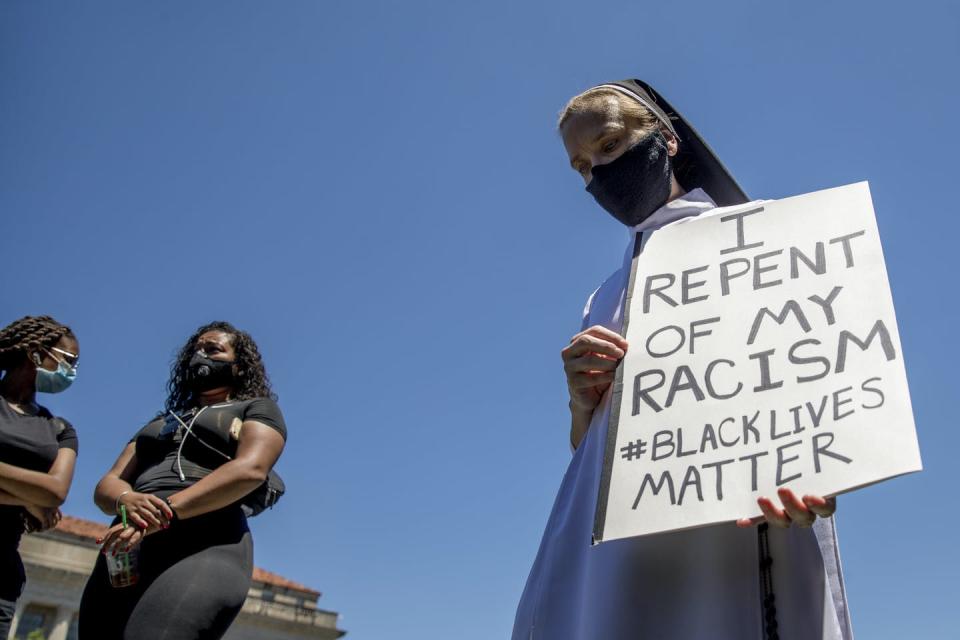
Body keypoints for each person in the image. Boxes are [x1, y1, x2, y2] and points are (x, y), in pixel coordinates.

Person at [512, 80, 854, 640]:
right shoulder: (605, 293)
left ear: (665, 139)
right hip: (614, 555)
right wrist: (581, 402)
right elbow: (588, 446)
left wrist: (815, 472)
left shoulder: (767, 243)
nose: (597, 173)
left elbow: (805, 389)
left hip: (737, 532)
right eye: (580, 167)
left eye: (610, 145)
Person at [79, 321, 286, 640]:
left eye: (213, 349)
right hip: (128, 544)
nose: (199, 356)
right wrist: (126, 500)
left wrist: (162, 513)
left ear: (240, 366)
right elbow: (109, 484)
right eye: (195, 350)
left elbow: (250, 469)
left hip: (206, 541)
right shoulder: (159, 422)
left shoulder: (256, 409)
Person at [0, 315, 80, 637]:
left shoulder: (59, 429)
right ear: (36, 352)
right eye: (69, 360)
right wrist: (28, 503)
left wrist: (40, 500)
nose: (72, 372)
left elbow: (54, 492)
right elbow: (41, 499)